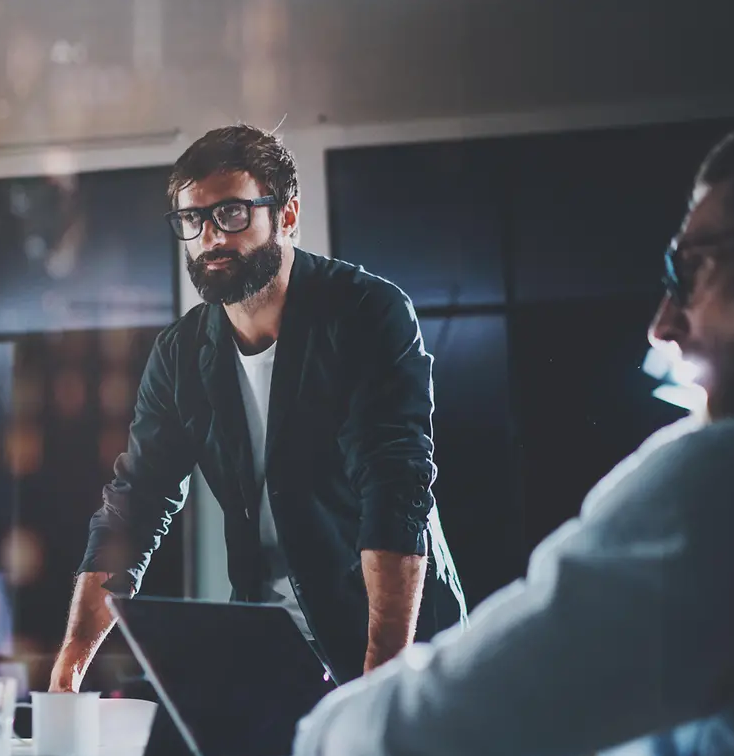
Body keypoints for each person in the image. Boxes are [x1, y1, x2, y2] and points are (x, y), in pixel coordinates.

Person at [294, 119, 734, 756]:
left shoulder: (730, 480)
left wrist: (319, 729)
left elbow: (400, 741)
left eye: (693, 268)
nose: (662, 325)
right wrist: (596, 743)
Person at [51, 124, 466, 691]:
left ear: (287, 215)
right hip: (271, 644)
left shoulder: (368, 311)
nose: (210, 239)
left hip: (395, 638)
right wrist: (70, 666)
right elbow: (135, 505)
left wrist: (381, 688)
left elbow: (395, 485)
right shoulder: (180, 353)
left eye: (232, 215)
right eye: (192, 221)